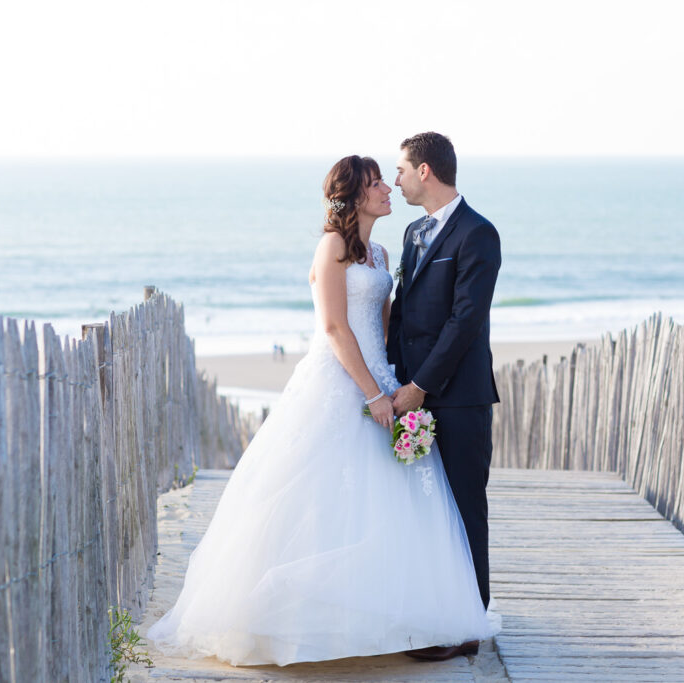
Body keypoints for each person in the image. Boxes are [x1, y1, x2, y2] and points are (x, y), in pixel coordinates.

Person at [146, 155, 500, 666]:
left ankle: (403, 615)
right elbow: (335, 328)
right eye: (377, 181)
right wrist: (374, 395)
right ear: (355, 195)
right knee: (320, 497)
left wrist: (399, 385)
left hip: (382, 379)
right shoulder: (332, 246)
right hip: (339, 383)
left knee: (397, 503)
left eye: (388, 176)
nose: (387, 187)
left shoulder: (381, 252)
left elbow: (387, 328)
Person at [387, 132, 502, 661]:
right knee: (424, 510)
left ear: (426, 171)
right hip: (411, 392)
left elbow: (464, 322)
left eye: (403, 170)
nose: (398, 180)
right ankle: (432, 614)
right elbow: (404, 310)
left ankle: (466, 627)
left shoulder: (479, 234)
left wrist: (420, 386)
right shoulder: (412, 233)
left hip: (457, 397)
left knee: (463, 508)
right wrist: (394, 378)